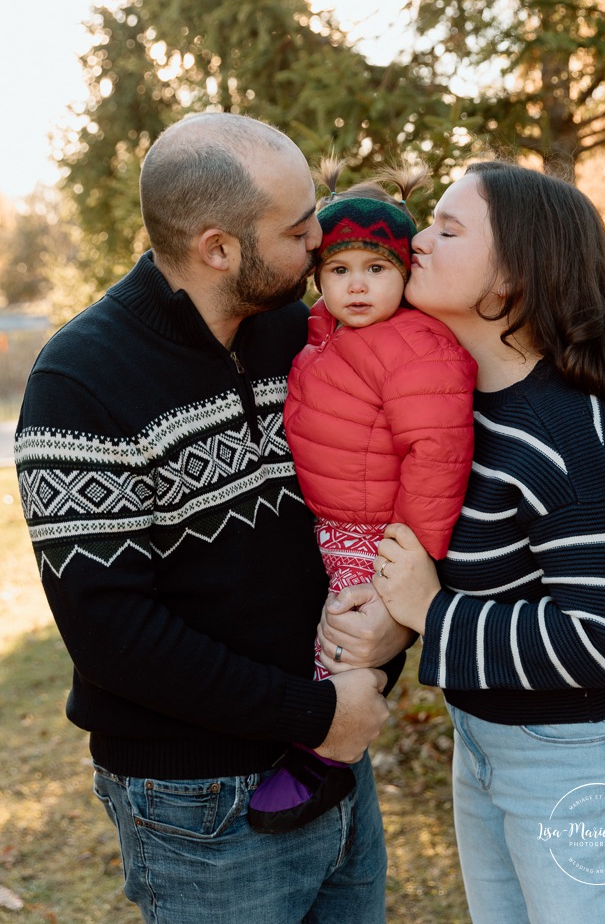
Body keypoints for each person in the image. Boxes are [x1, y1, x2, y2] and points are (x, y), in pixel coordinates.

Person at [14, 113, 412, 924]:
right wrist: (317, 715)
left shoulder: (306, 332)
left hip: (336, 760)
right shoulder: (81, 383)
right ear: (218, 248)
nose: (321, 243)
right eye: (300, 228)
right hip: (199, 805)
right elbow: (112, 634)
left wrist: (386, 644)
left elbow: (380, 494)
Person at [323, 160, 605, 924]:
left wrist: (429, 610)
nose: (417, 240)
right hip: (489, 733)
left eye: (447, 229)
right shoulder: (456, 398)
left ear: (511, 279)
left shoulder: (567, 430)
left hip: (583, 750)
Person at [247, 159, 477, 833]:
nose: (356, 285)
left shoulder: (414, 345)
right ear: (318, 277)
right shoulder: (325, 331)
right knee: (316, 627)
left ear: (404, 275)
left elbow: (437, 455)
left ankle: (327, 754)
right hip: (330, 518)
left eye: (376, 270)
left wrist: (407, 561)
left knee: (348, 639)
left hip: (377, 528)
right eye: (340, 269)